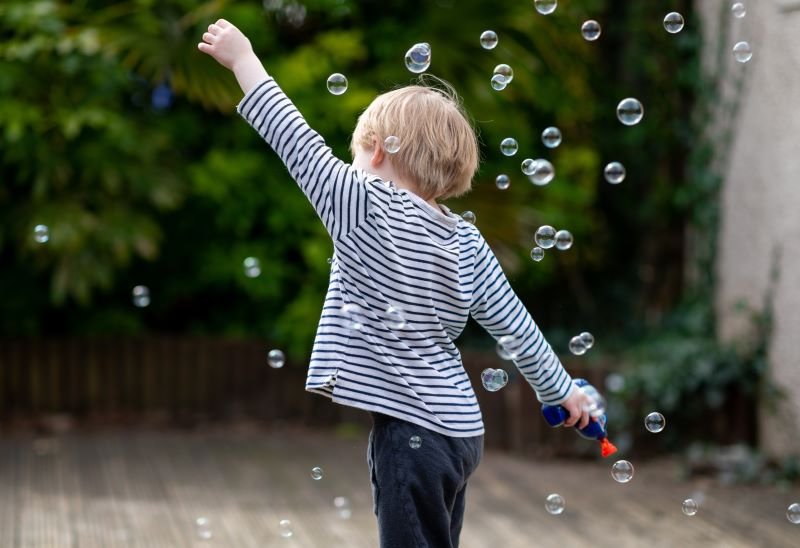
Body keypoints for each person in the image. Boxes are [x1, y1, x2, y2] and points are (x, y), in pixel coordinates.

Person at [199, 19, 593, 548]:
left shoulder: (361, 205)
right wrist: (561, 390)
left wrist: (243, 58)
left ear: (378, 152)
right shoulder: (467, 242)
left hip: (410, 434)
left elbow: (293, 138)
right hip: (460, 434)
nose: (348, 166)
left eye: (356, 154)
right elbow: (517, 328)